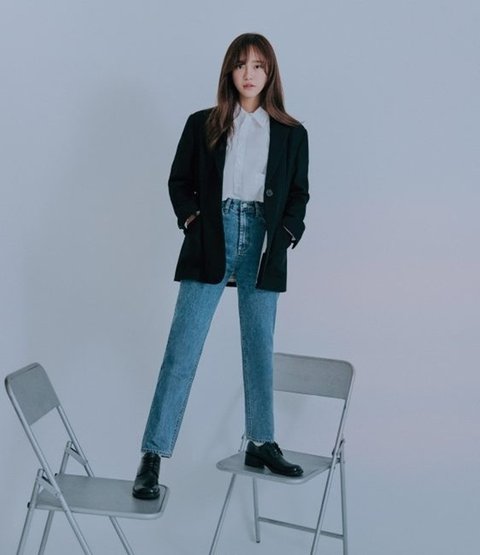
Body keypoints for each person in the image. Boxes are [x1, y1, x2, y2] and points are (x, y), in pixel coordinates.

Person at [132, 32, 309, 499]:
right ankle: (152, 455)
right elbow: (179, 181)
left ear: (270, 73)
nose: (249, 74)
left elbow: (299, 194)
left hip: (263, 240)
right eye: (241, 64)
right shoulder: (203, 124)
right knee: (182, 349)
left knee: (259, 347)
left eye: (258, 65)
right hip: (214, 232)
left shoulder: (292, 133)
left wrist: (286, 235)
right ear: (229, 70)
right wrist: (193, 220)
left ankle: (261, 442)